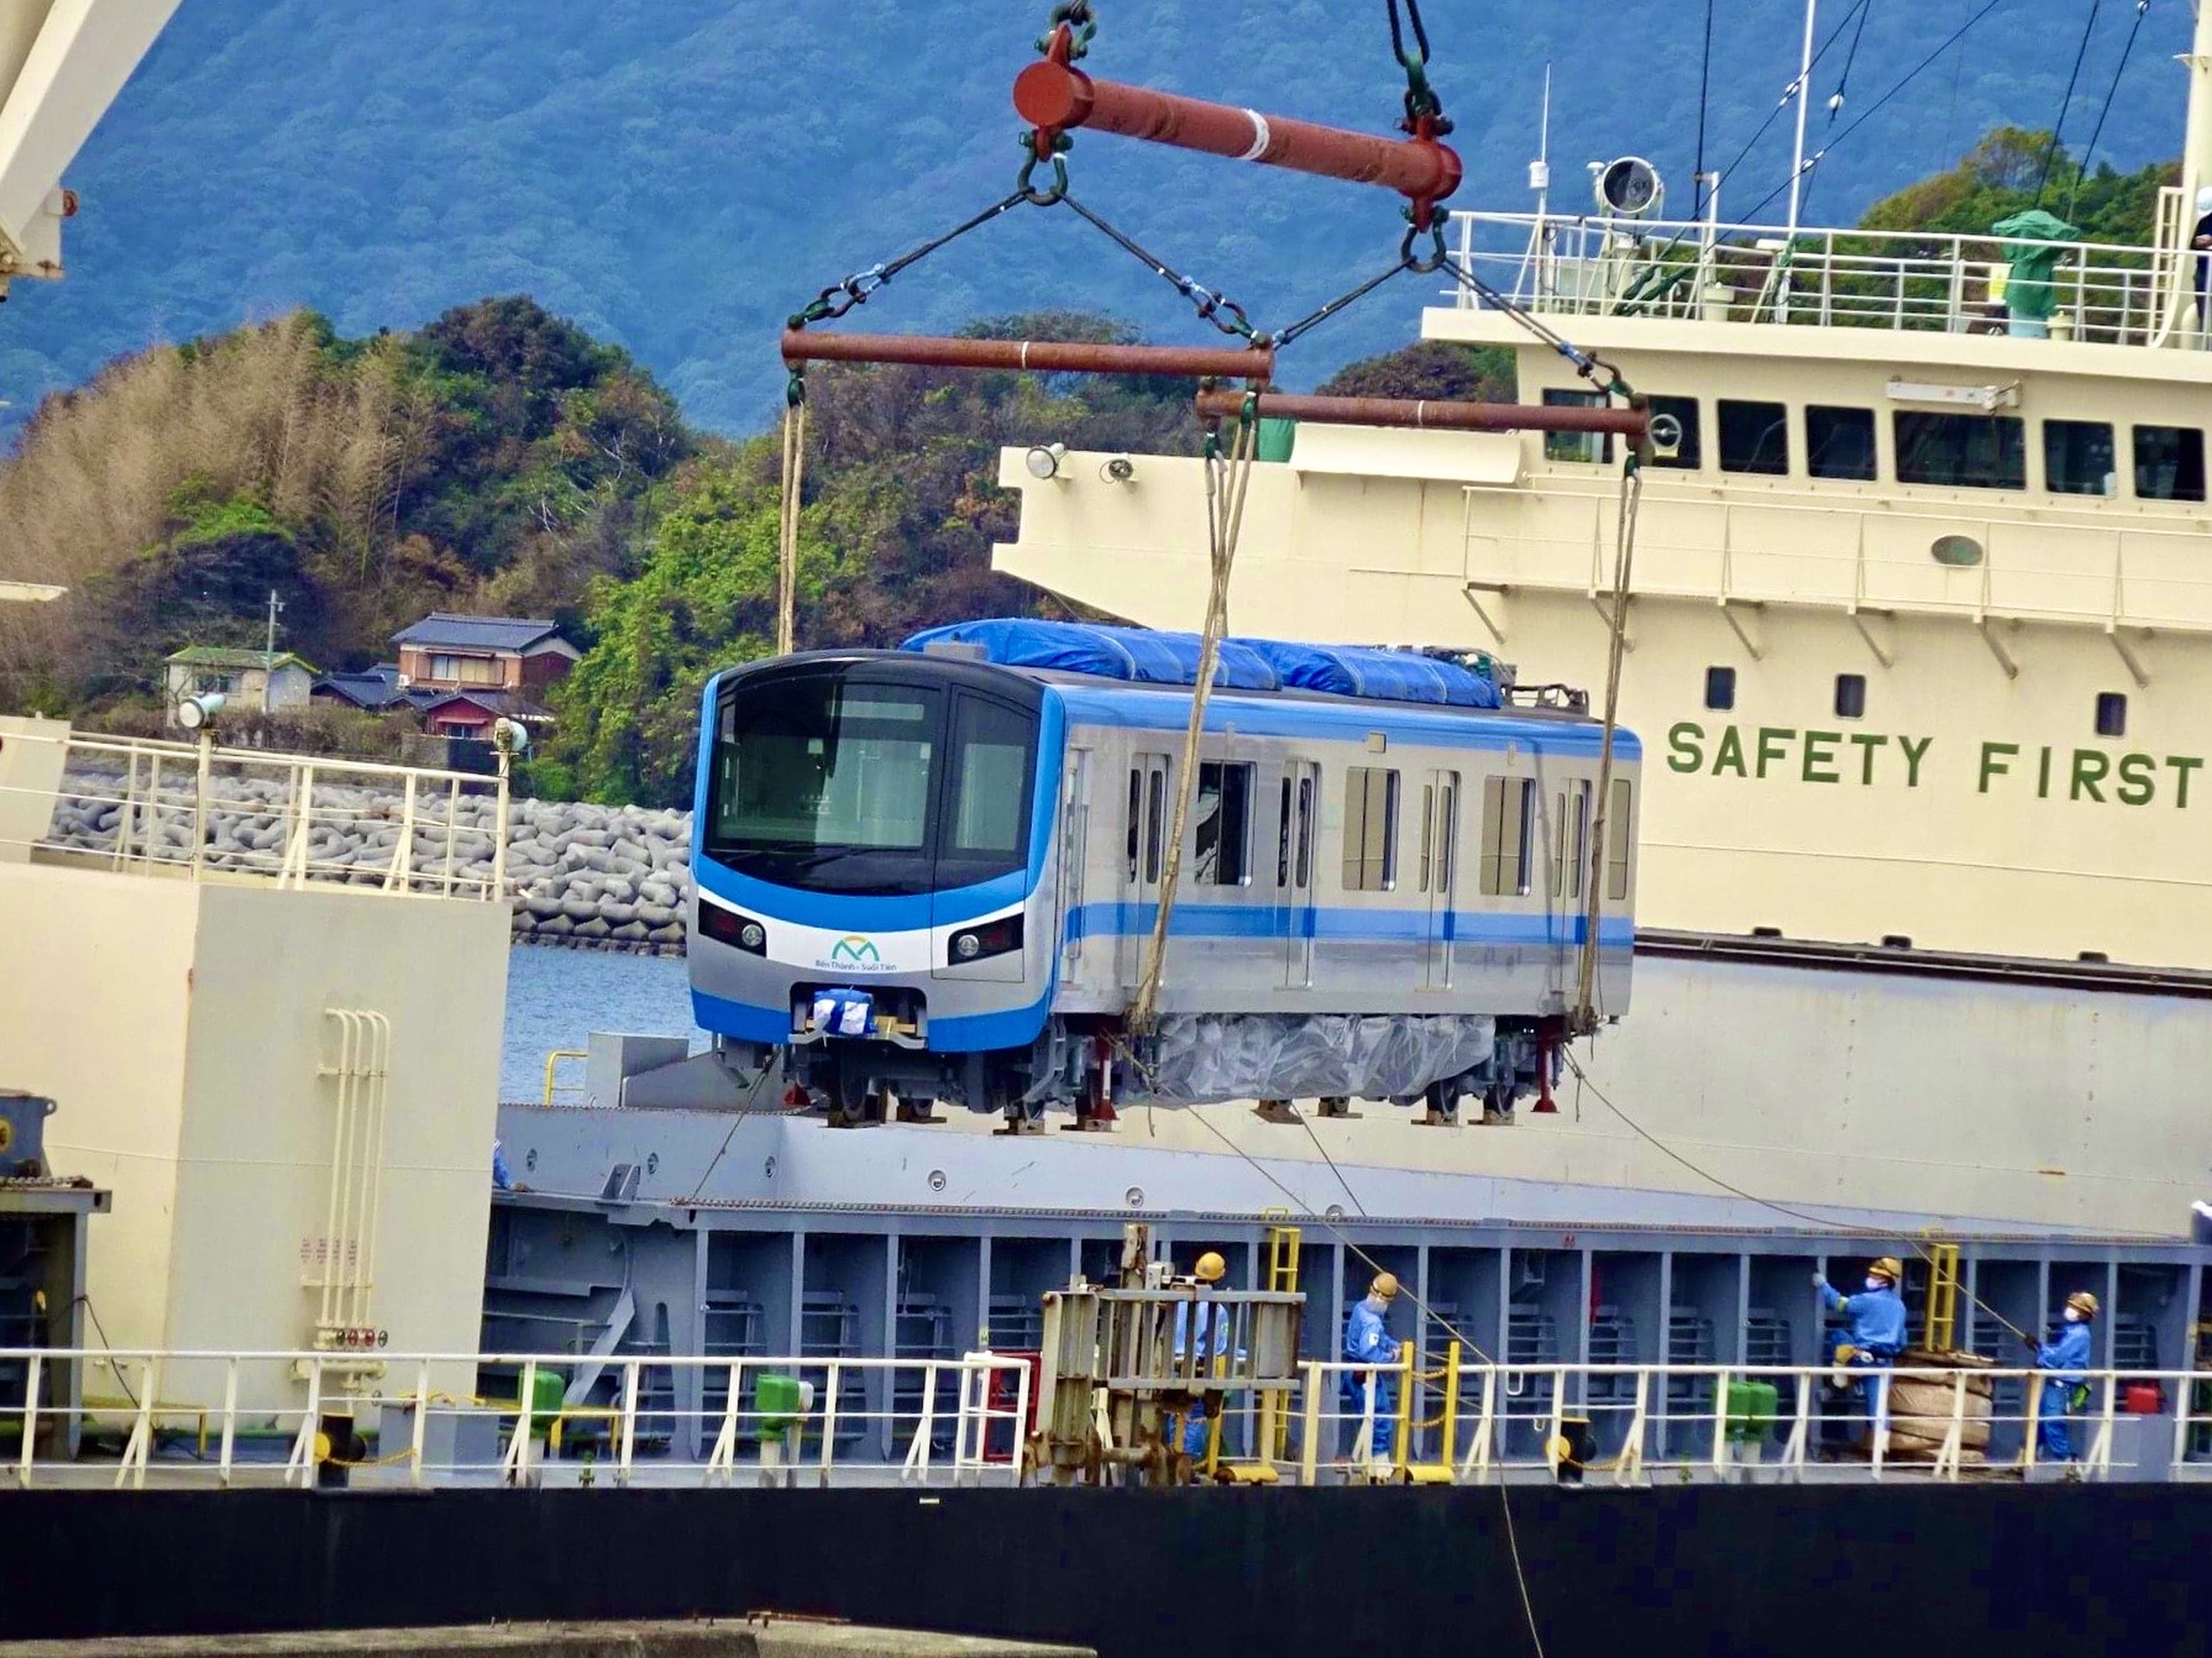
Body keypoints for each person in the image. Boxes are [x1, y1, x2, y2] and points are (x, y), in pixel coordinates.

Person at [1815, 1256, 1907, 1446]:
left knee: (1839, 1336)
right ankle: (1880, 1456)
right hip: (1884, 1364)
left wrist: (1823, 1285)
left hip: (1860, 1358)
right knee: (1879, 1412)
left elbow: (1840, 1304)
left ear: (1884, 1280)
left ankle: (1840, 1382)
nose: (1871, 1277)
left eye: (1875, 1275)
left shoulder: (1866, 1300)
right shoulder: (1900, 1306)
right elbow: (1901, 1340)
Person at [2025, 1290, 2098, 1464]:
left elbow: (2058, 1357)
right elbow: (2058, 1353)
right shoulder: (2073, 1331)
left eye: (2074, 1307)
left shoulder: (2079, 1334)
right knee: (2040, 1422)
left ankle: (2067, 1462)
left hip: (2062, 1387)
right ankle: (2026, 1456)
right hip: (2055, 1384)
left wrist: (2039, 1352)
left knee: (2052, 1422)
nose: (2069, 1309)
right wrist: (2039, 1346)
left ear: (2084, 1314)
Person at [1173, 1252, 1231, 1464]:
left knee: (1175, 1413)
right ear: (1220, 1276)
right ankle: (1187, 1465)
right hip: (1198, 1369)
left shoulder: (1176, 1302)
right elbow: (1219, 1348)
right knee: (1195, 1417)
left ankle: (1173, 1459)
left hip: (1170, 1367)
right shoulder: (1218, 1309)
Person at [1341, 1273, 1404, 1459]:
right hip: (1365, 1374)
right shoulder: (1373, 1322)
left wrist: (1391, 1343)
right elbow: (1368, 1351)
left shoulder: (1360, 1308)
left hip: (1352, 1372)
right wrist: (1391, 1357)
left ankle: (1362, 1457)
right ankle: (1379, 1459)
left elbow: (1379, 1338)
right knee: (1380, 1414)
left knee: (1365, 1415)